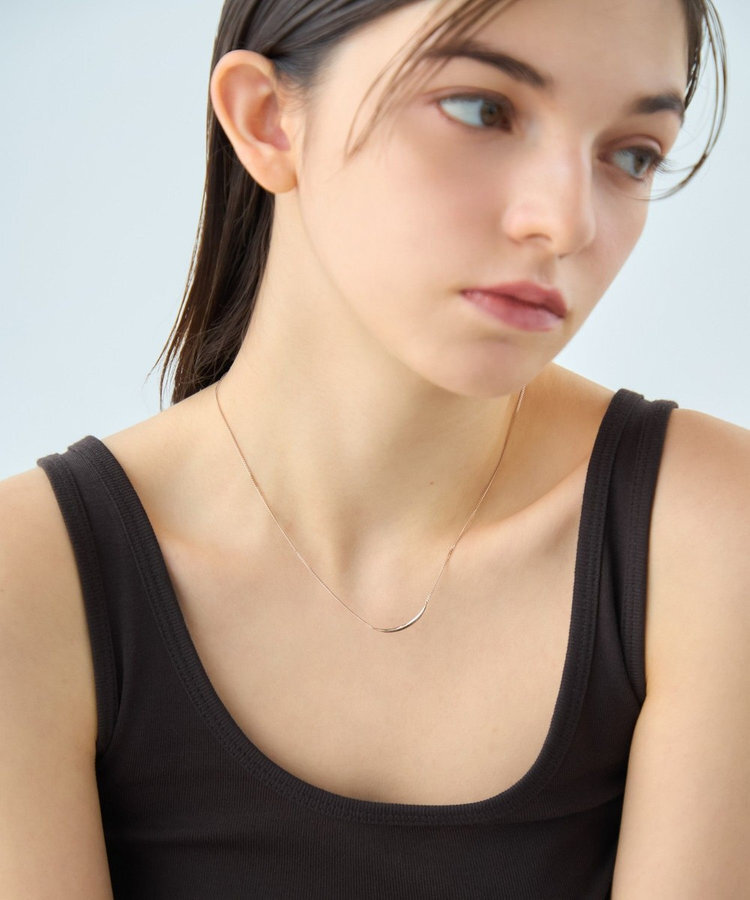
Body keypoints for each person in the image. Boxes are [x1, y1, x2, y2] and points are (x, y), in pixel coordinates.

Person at [1, 0, 747, 896]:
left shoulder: (710, 533)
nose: (566, 222)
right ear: (269, 121)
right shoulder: (30, 580)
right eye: (483, 110)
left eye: (632, 154)